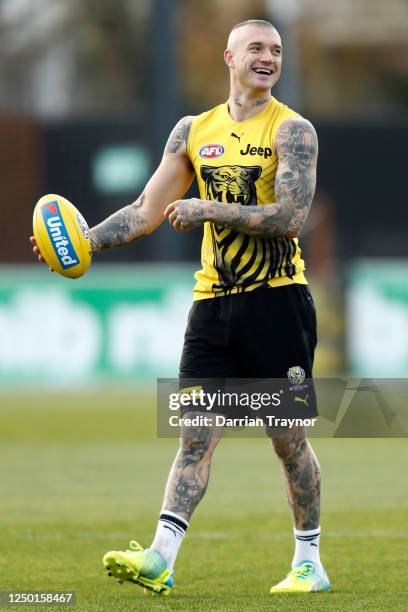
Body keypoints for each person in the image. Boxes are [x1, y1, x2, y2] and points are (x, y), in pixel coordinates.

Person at [31, 19, 330, 595]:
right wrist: (86, 241)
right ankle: (162, 557)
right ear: (229, 57)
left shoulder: (294, 131)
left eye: (276, 50)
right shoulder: (194, 130)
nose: (268, 58)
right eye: (257, 49)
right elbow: (147, 210)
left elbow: (292, 218)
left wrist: (209, 210)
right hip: (212, 305)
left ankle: (309, 562)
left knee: (285, 435)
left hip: (277, 302)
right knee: (196, 432)